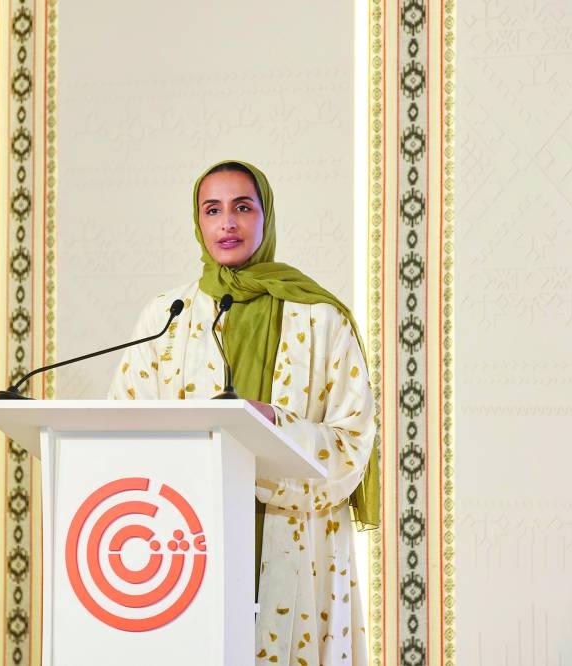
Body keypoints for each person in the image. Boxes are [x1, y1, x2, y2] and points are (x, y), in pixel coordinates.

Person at [109, 160, 379, 665]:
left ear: (265, 217)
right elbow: (125, 430)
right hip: (183, 542)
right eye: (212, 210)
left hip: (295, 538)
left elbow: (352, 443)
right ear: (198, 222)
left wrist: (273, 424)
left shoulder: (321, 317)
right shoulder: (168, 316)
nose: (227, 223)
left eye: (242, 207)